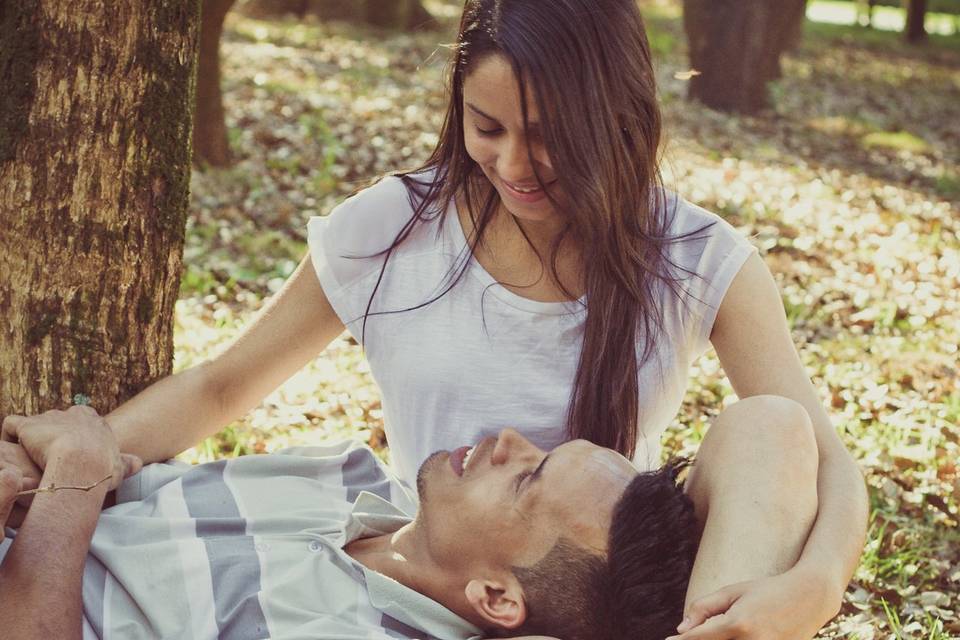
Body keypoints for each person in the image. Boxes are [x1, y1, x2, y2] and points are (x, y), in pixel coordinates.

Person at [1, 0, 868, 637]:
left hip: (590, 583)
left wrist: (817, 584)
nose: (516, 165)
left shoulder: (693, 256)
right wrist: (54, 472)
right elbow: (220, 384)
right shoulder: (395, 227)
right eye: (487, 127)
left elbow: (823, 463)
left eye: (550, 134)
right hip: (441, 582)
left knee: (772, 426)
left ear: (618, 118)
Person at [0, 406, 699, 640]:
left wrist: (74, 480)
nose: (510, 439)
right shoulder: (350, 473)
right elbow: (112, 499)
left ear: (496, 597)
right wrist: (44, 486)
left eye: (525, 478)